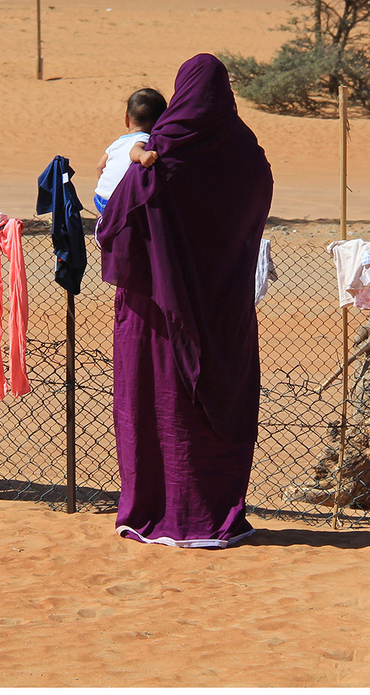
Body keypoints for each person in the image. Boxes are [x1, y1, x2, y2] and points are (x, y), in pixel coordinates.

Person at [95, 54, 274, 548]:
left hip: (157, 309)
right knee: (217, 402)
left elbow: (116, 223)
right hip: (226, 309)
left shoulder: (163, 150)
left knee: (159, 401)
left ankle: (161, 513)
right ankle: (213, 514)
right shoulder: (248, 153)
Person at [93, 88, 166, 216]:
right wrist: (142, 155)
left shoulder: (117, 143)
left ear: (126, 119)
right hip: (118, 202)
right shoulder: (145, 139)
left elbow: (100, 166)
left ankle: (101, 222)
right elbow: (134, 151)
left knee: (103, 218)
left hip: (100, 198)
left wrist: (105, 188)